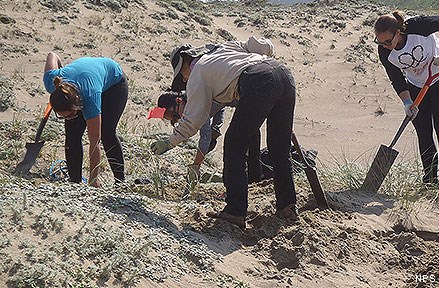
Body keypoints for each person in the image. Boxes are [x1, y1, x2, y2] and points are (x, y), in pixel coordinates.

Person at [151, 36, 297, 228]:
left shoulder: (198, 73)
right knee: (280, 147)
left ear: (186, 63)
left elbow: (193, 119)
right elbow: (262, 45)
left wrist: (170, 141)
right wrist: (266, 65)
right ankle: (287, 206)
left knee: (234, 145)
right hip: (283, 74)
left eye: (182, 76)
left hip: (257, 81)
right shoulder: (224, 49)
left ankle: (235, 211)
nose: (184, 80)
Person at [374, 12, 439, 187]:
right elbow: (396, 78)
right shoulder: (385, 51)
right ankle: (429, 181)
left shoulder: (418, 26)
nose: (384, 46)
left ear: (398, 32)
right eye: (379, 42)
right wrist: (407, 102)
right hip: (416, 84)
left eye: (387, 42)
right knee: (423, 132)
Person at [43, 52, 128, 187]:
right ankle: (74, 181)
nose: (68, 118)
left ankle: (120, 182)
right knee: (72, 135)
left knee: (107, 132)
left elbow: (95, 142)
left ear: (77, 105)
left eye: (70, 114)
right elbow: (52, 55)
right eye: (62, 116)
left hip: (114, 84)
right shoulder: (51, 81)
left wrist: (93, 179)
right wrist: (60, 65)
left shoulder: (90, 97)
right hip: (84, 79)